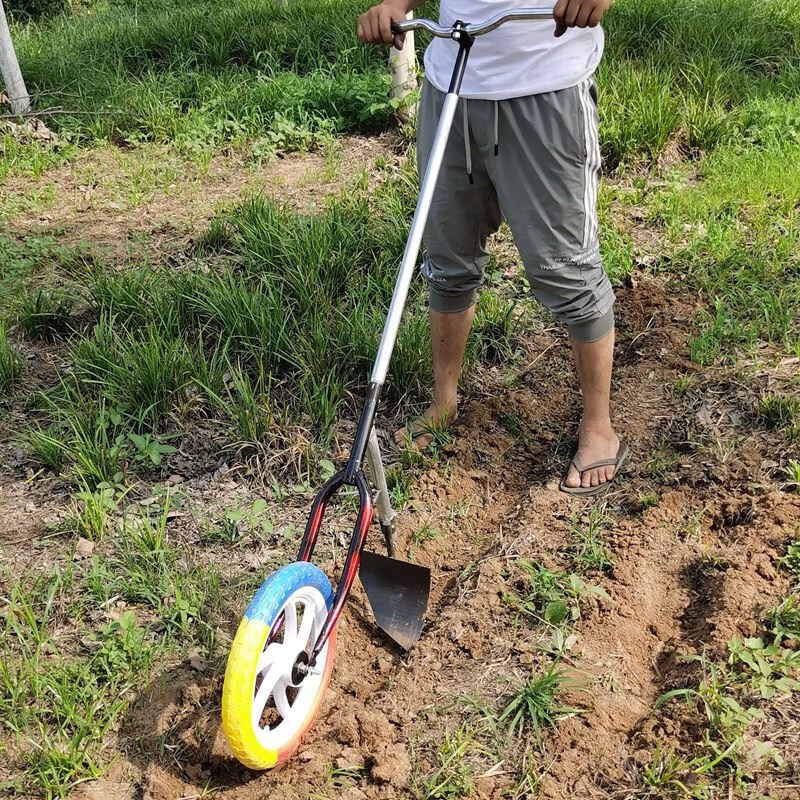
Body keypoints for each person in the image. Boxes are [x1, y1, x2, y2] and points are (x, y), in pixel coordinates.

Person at [357, 0, 626, 496]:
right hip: (451, 86)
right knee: (447, 258)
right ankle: (444, 402)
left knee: (566, 270)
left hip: (545, 85)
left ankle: (598, 425)